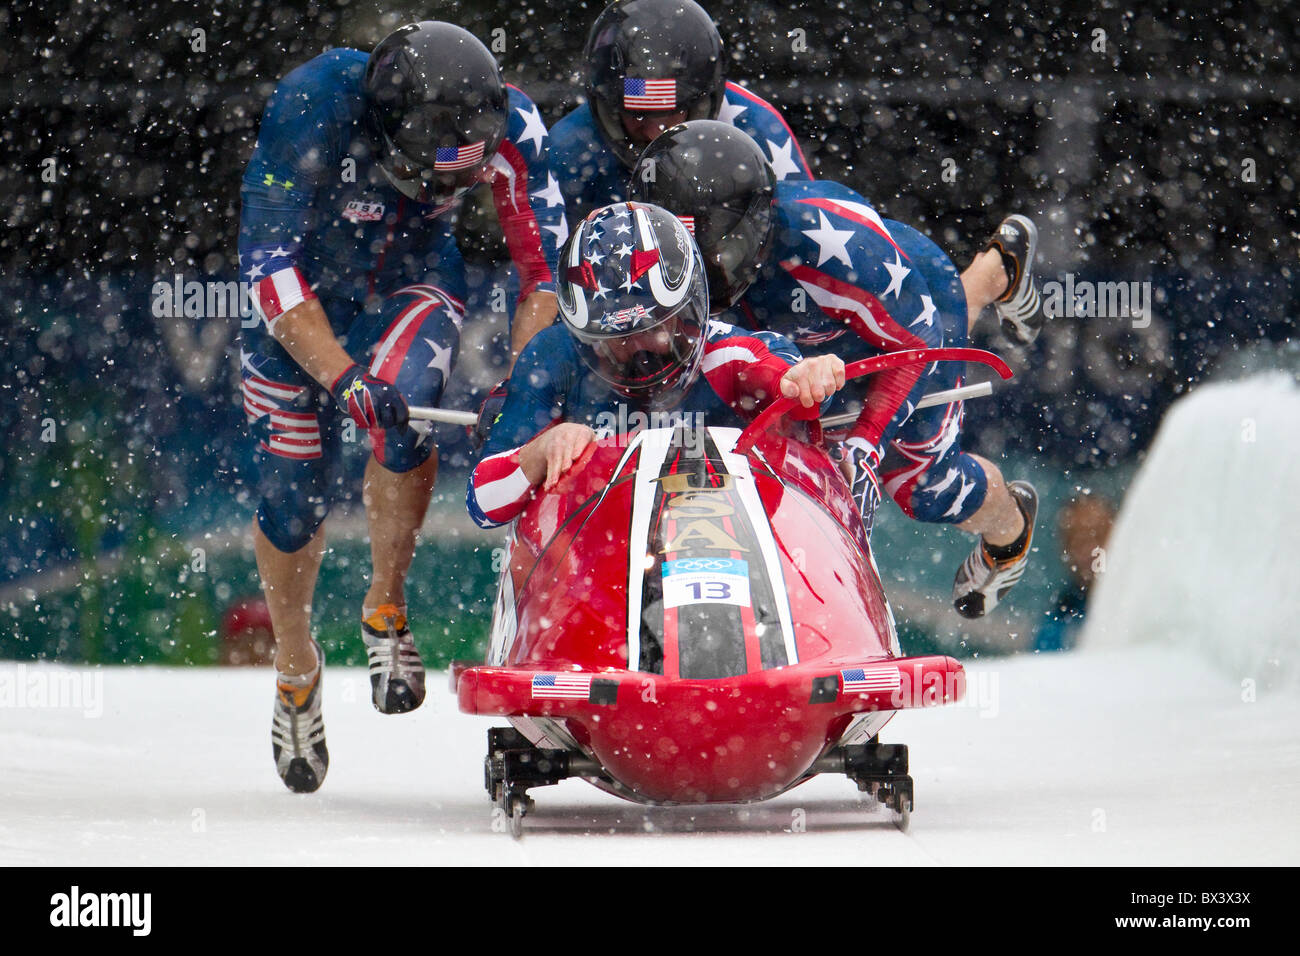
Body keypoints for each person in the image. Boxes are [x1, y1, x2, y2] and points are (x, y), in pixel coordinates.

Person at [238, 21, 566, 793]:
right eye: (429, 176)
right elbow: (270, 268)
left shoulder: (514, 125)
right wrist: (343, 375)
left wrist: (523, 385)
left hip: (409, 280)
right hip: (299, 303)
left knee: (408, 407)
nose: (444, 193)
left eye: (462, 180)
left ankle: (385, 607)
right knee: (291, 499)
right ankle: (295, 667)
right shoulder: (311, 103)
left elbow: (542, 278)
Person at [629, 121, 1046, 617]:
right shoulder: (645, 248)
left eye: (713, 251)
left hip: (911, 319)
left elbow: (916, 335)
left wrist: (868, 445)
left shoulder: (828, 249)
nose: (698, 271)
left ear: (756, 227)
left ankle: (1011, 529)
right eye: (680, 257)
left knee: (920, 487)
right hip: (811, 343)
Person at [466, 202, 843, 529]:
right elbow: (483, 505)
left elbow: (796, 392)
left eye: (654, 326)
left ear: (687, 308)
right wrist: (539, 451)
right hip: (597, 554)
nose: (641, 350)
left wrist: (808, 379)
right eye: (616, 338)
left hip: (731, 536)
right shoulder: (552, 357)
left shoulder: (731, 353)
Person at [548, 0, 812, 227]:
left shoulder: (756, 129)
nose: (654, 132)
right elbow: (541, 267)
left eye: (671, 113)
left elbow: (798, 233)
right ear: (607, 108)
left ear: (704, 103)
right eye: (639, 115)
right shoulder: (568, 149)